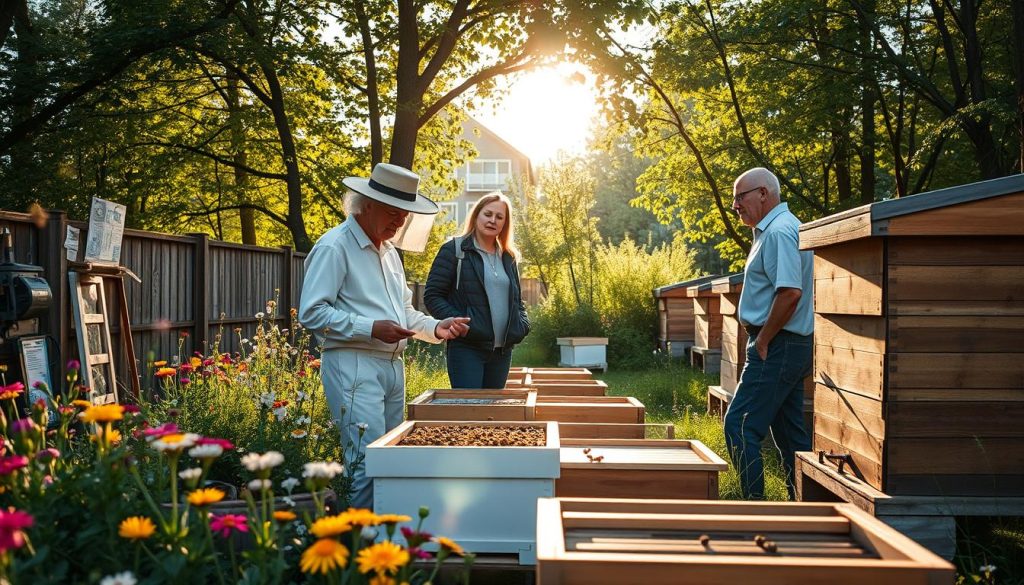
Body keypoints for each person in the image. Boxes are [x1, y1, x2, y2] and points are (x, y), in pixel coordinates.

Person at [298, 163, 470, 508]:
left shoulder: (390, 253)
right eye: (393, 214)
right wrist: (370, 327)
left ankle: (388, 538)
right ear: (366, 204)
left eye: (404, 216)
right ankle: (364, 549)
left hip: (392, 367)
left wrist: (436, 327)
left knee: (391, 456)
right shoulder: (335, 247)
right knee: (366, 463)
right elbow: (312, 313)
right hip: (353, 366)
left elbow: (403, 313)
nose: (399, 223)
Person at [723, 167, 814, 501]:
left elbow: (790, 292)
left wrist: (762, 340)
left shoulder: (778, 232)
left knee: (740, 426)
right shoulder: (773, 230)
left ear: (763, 193)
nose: (735, 206)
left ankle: (755, 509)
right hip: (783, 343)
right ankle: (805, 509)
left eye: (739, 197)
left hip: (777, 343)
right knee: (791, 437)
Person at [424, 191, 530, 389]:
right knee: (470, 411)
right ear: (476, 215)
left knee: (492, 416)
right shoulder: (454, 250)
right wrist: (457, 322)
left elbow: (517, 301)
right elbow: (432, 295)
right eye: (488, 214)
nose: (493, 220)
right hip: (467, 350)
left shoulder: (508, 257)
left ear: (505, 223)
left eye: (499, 217)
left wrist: (522, 325)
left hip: (502, 353)